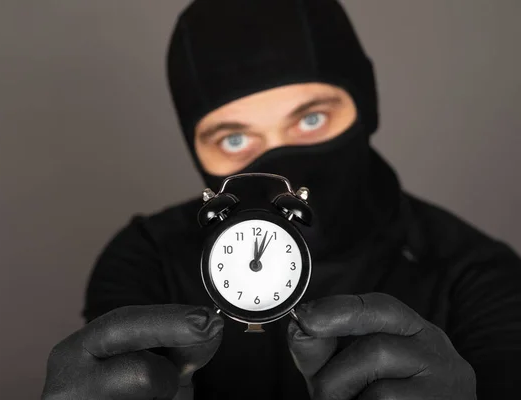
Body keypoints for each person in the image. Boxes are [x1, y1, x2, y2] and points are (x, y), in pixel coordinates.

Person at [40, 1, 521, 399]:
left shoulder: (475, 276)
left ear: (366, 102)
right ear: (196, 149)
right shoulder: (146, 258)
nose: (281, 166)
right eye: (233, 140)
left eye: (310, 120)